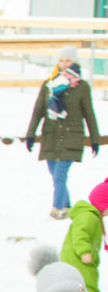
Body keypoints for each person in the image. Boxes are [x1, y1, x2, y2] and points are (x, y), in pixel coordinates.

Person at [26, 56, 100, 218]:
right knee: (55, 176)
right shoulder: (49, 84)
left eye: (68, 60)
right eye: (61, 60)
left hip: (71, 137)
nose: (64, 64)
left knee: (60, 175)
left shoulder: (81, 87)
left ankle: (58, 209)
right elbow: (38, 111)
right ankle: (67, 206)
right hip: (50, 137)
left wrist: (95, 139)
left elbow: (89, 114)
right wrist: (30, 134)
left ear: (74, 62)